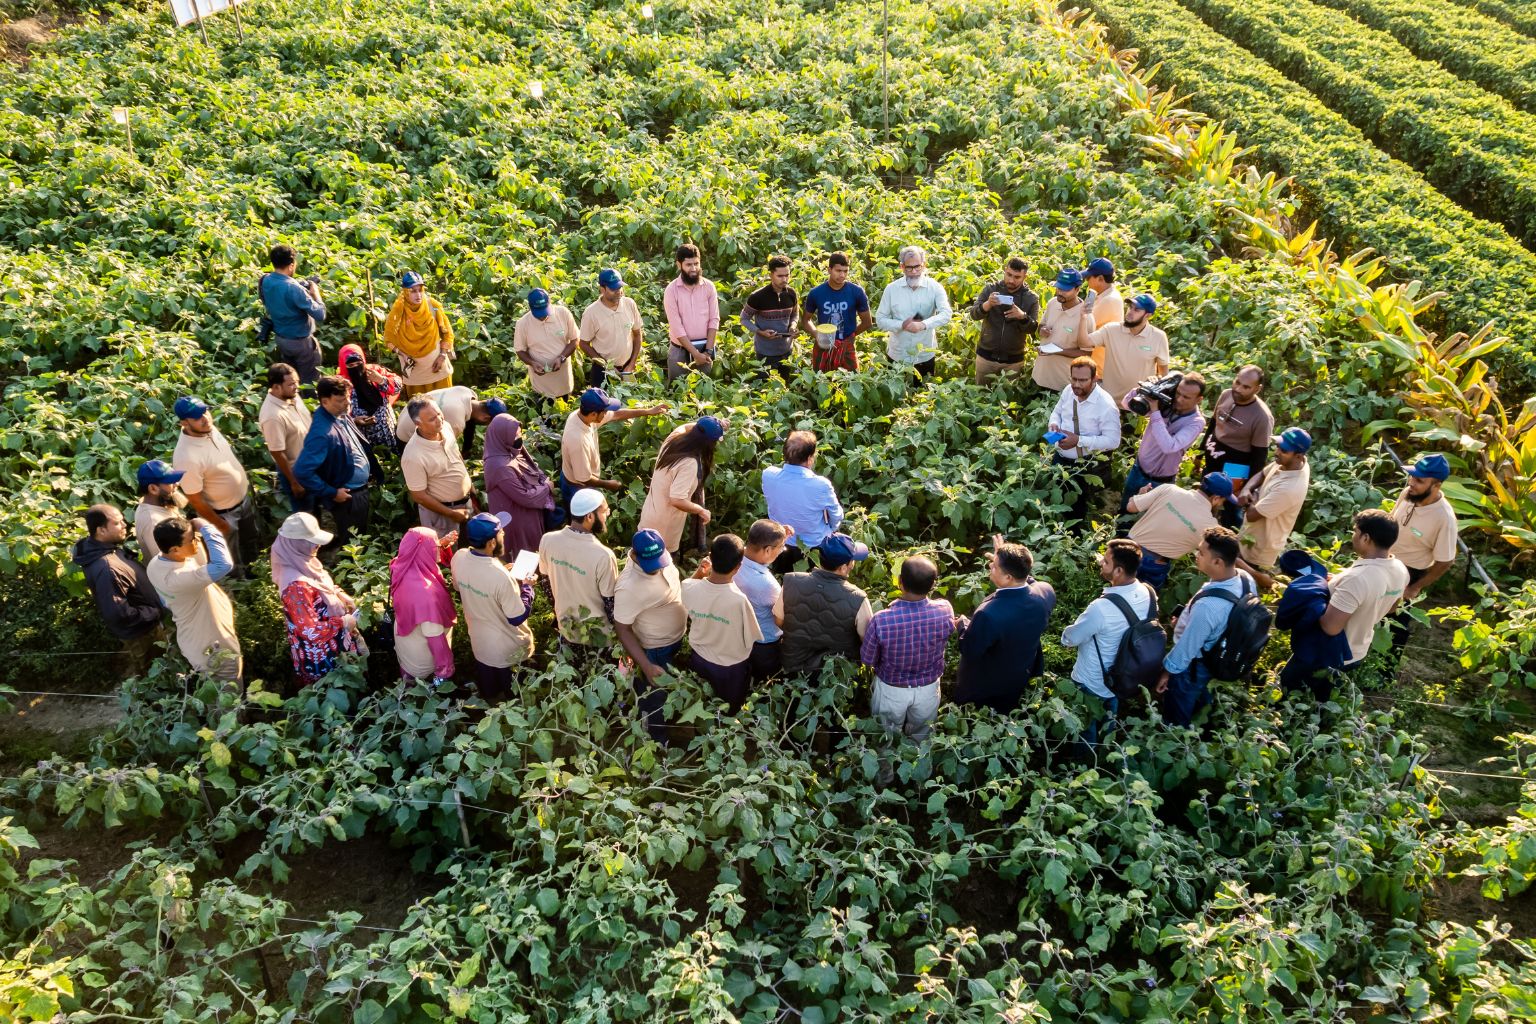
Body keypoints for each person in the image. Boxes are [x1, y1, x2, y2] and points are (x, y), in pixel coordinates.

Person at [860, 555, 960, 783]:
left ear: (899, 582)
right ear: (933, 585)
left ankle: (884, 780)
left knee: (886, 736)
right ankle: (917, 780)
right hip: (928, 688)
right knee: (922, 736)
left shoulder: (882, 619)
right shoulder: (944, 609)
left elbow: (867, 658)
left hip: (891, 689)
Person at [1155, 527, 1255, 726]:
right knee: (1203, 701)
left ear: (1217, 561)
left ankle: (1176, 738)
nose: (1196, 555)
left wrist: (1166, 672)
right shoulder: (1245, 578)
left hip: (1195, 665)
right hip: (1222, 653)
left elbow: (1186, 649)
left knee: (1179, 709)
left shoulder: (1208, 607)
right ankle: (1202, 727)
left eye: (1201, 552)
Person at [1059, 539, 1155, 743]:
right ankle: (1108, 748)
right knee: (1109, 719)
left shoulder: (1101, 608)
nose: (1101, 562)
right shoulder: (1148, 593)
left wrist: (1065, 637)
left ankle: (1085, 763)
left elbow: (1072, 638)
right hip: (1124, 675)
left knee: (1086, 729)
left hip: (1092, 680)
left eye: (1106, 561)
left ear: (1118, 571)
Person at [953, 539, 1055, 713]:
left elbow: (969, 649)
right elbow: (1028, 580)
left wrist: (962, 624)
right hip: (1018, 678)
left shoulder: (988, 614)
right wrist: (1004, 557)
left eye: (994, 566)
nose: (990, 566)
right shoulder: (1045, 592)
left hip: (985, 686)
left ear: (1008, 577)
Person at [271, 512, 363, 687]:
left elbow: (320, 586)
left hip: (330, 637)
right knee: (333, 687)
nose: (317, 545)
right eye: (310, 540)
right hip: (321, 650)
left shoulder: (302, 561)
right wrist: (343, 623)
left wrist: (340, 594)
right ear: (295, 544)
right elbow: (310, 631)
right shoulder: (295, 586)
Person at [147, 515, 241, 684]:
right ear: (175, 549)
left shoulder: (156, 564)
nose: (197, 540)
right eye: (192, 539)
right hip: (213, 647)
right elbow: (222, 565)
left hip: (195, 640)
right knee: (228, 698)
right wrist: (206, 527)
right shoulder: (177, 578)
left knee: (216, 693)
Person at [1319, 509, 1411, 681]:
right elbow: (1391, 608)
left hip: (1330, 653)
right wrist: (1338, 582)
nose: (1353, 536)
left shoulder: (1357, 579)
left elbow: (1329, 627)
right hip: (1357, 652)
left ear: (1366, 538)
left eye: (1356, 532)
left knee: (1292, 688)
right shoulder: (1400, 568)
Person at [1386, 454, 1460, 669]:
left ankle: (1385, 672)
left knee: (1396, 622)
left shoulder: (1444, 518)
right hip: (1387, 559)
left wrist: (1415, 587)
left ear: (1436, 485)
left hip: (1410, 572)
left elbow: (1446, 561)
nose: (1412, 483)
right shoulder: (1408, 494)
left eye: (1419, 481)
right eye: (1412, 477)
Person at [613, 529, 688, 740]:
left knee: (668, 689)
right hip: (654, 649)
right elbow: (622, 629)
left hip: (674, 640)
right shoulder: (628, 587)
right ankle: (656, 741)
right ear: (635, 556)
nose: (656, 569)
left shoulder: (660, 558)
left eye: (659, 561)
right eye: (651, 566)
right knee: (654, 698)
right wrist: (645, 665)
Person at [452, 512, 536, 699]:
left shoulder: (459, 557)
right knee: (517, 699)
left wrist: (503, 574)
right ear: (491, 543)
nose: (504, 535)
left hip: (481, 647)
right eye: (501, 533)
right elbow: (517, 617)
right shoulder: (500, 577)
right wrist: (528, 588)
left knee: (491, 698)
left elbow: (460, 586)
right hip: (509, 653)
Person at [74, 504, 164, 676]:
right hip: (142, 634)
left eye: (123, 521)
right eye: (117, 523)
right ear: (101, 530)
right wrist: (153, 612)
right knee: (154, 678)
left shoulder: (108, 548)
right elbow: (118, 613)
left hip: (146, 626)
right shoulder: (106, 567)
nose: (124, 525)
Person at [292, 375, 379, 549]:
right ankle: (353, 573)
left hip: (358, 490)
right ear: (325, 401)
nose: (347, 403)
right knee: (354, 544)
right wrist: (331, 492)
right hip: (348, 497)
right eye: (340, 400)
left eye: (347, 398)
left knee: (360, 535)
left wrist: (355, 422)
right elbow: (302, 471)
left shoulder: (338, 414)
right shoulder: (321, 433)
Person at [172, 396, 257, 572]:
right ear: (184, 423)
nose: (206, 418)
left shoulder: (207, 430)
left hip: (243, 503)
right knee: (231, 559)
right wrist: (219, 523)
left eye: (205, 412)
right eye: (197, 417)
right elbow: (195, 499)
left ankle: (257, 572)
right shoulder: (186, 457)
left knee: (251, 544)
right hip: (224, 515)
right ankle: (243, 591)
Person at [681, 534, 764, 713]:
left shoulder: (689, 587)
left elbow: (690, 584)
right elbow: (752, 638)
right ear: (738, 567)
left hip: (699, 659)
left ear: (710, 557)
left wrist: (700, 572)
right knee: (728, 710)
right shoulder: (739, 601)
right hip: (730, 669)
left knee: (700, 706)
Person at [777, 533, 874, 677]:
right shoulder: (858, 598)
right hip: (834, 674)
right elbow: (867, 640)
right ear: (843, 567)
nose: (853, 564)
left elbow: (778, 621)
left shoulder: (792, 581)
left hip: (793, 667)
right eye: (852, 561)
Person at [559, 387, 669, 509]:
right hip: (577, 487)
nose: (607, 414)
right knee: (580, 517)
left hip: (572, 474)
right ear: (594, 414)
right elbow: (583, 478)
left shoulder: (582, 416)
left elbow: (617, 414)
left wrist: (648, 411)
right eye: (605, 411)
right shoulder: (578, 440)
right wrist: (607, 484)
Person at [1126, 473, 1236, 590]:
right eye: (1222, 501)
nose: (1221, 504)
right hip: (1155, 564)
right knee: (1142, 600)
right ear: (1216, 498)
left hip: (1127, 549)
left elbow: (1131, 507)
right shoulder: (1210, 526)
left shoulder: (1169, 489)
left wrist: (1140, 495)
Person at [538, 488, 618, 648]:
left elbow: (546, 583)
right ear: (589, 517)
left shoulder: (547, 540)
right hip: (599, 637)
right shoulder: (603, 555)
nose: (607, 516)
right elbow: (611, 605)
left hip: (567, 628)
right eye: (605, 512)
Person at [1047, 357, 1122, 528]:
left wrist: (1079, 441)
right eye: (1074, 379)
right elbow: (1057, 412)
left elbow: (1113, 441)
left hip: (1083, 466)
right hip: (1060, 457)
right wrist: (1054, 424)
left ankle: (1074, 539)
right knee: (1057, 495)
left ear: (1095, 379)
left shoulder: (1106, 406)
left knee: (1077, 509)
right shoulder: (1068, 390)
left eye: (1082, 380)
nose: (1077, 384)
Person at [1118, 372, 1207, 513]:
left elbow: (1169, 446)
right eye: (1178, 393)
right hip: (1138, 470)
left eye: (1186, 397)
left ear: (1199, 399)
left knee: (1148, 518)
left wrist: (1155, 411)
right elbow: (1126, 403)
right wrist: (1146, 390)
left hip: (1160, 481)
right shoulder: (1165, 402)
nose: (1179, 399)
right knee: (1124, 511)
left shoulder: (1196, 422)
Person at [1235, 427, 1313, 589]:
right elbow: (1262, 474)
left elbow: (1251, 515)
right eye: (1277, 446)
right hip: (1249, 535)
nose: (1277, 452)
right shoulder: (1287, 463)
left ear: (1298, 456)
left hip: (1258, 549)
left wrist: (1254, 496)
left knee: (1242, 587)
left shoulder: (1290, 488)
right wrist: (1247, 489)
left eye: (1283, 450)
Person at [638, 416, 725, 557]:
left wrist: (715, 425)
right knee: (659, 568)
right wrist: (701, 510)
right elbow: (677, 499)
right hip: (664, 529)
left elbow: (686, 427)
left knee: (640, 564)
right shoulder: (689, 464)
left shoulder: (673, 441)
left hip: (649, 517)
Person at [760, 430, 843, 574]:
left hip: (779, 543)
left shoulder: (768, 475)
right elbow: (836, 517)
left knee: (783, 582)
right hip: (813, 548)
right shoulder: (821, 485)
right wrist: (831, 529)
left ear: (784, 453)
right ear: (810, 458)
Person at [1275, 549, 1352, 700]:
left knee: (1287, 685)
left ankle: (1284, 717)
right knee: (1323, 692)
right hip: (1336, 649)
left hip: (1311, 649)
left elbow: (1282, 623)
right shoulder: (1322, 582)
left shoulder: (1298, 590)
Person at [1202, 366, 1274, 515]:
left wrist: (1247, 487)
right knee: (1203, 502)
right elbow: (1213, 425)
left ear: (1257, 389)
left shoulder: (1262, 417)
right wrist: (1199, 454)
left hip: (1234, 471)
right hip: (1212, 461)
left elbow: (1259, 456)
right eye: (1237, 382)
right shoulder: (1226, 395)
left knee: (1231, 512)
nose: (1238, 389)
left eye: (1246, 387)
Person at [483, 413, 557, 559]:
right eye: (515, 435)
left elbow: (534, 469)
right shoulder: (500, 466)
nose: (519, 438)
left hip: (527, 515)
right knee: (522, 554)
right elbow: (525, 497)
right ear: (502, 436)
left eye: (519, 433)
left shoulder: (510, 451)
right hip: (517, 520)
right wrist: (547, 487)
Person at [390, 527, 457, 686]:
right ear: (425, 551)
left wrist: (442, 544)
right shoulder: (427, 597)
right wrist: (444, 674)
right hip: (422, 663)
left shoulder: (400, 565)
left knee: (407, 687)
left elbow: (418, 548)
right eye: (434, 546)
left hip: (406, 650)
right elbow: (437, 644)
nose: (437, 549)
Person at [401, 396, 476, 538]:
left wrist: (471, 490)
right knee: (447, 554)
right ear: (418, 423)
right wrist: (451, 514)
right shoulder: (413, 455)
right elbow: (419, 496)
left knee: (471, 547)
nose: (439, 419)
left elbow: (457, 457)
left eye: (439, 413)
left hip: (466, 504)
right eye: (432, 419)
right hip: (442, 514)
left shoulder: (445, 427)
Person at [875, 245, 952, 379]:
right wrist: (902, 325)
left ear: (924, 265)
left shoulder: (934, 287)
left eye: (918, 266)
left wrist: (923, 325)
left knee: (923, 393)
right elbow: (880, 320)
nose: (914, 271)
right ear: (902, 267)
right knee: (896, 394)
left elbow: (946, 313)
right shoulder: (891, 289)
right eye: (909, 268)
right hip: (898, 354)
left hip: (924, 355)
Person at [259, 244, 326, 386]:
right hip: (301, 343)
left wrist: (302, 285)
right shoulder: (293, 288)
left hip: (282, 339)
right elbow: (320, 314)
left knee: (290, 381)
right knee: (309, 383)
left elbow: (270, 297)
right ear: (291, 265)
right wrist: (315, 294)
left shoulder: (265, 280)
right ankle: (309, 405)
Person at [383, 270, 456, 396]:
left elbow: (447, 333)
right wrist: (402, 354)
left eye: (420, 290)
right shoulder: (398, 312)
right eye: (413, 291)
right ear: (405, 292)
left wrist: (442, 355)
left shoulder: (433, 305)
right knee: (420, 408)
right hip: (415, 371)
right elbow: (388, 340)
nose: (418, 295)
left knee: (444, 403)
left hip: (437, 366)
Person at [1085, 293, 1168, 402]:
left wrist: (1156, 380)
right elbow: (1085, 342)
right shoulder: (1111, 329)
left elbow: (1163, 374)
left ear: (1148, 315)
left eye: (1136, 310)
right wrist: (1083, 316)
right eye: (1130, 307)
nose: (1130, 312)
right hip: (1108, 403)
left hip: (1138, 404)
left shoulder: (1159, 337)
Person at [735, 519, 791, 681]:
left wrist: (779, 538)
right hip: (764, 643)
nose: (781, 551)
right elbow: (781, 617)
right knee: (766, 680)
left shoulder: (733, 558)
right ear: (767, 550)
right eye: (781, 548)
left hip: (740, 635)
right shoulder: (767, 585)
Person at [970, 257, 1040, 385]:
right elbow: (974, 314)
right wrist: (988, 304)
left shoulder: (1031, 298)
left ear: (1025, 277)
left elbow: (1033, 329)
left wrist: (1022, 316)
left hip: (1013, 362)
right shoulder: (990, 290)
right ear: (1005, 271)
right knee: (980, 396)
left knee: (1007, 401)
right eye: (1009, 275)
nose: (1011, 280)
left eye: (1017, 277)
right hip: (986, 357)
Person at [800, 251, 871, 373]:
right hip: (823, 344)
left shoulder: (856, 292)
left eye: (845, 271)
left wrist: (851, 337)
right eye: (838, 271)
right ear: (829, 270)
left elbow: (867, 322)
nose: (842, 275)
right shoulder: (816, 293)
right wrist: (816, 334)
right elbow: (805, 320)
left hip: (847, 345)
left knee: (852, 381)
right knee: (821, 381)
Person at [258, 363, 313, 513]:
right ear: (276, 387)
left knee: (315, 509)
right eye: (291, 384)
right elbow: (277, 452)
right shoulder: (272, 416)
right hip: (296, 473)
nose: (296, 387)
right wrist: (294, 483)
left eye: (297, 382)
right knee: (305, 517)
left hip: (310, 465)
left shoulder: (291, 396)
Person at [663, 243, 720, 382]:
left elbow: (714, 319)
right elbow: (676, 327)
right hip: (679, 351)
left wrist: (707, 351)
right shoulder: (671, 290)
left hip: (705, 349)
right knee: (677, 391)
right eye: (689, 265)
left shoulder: (709, 287)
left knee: (703, 392)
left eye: (696, 263)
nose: (694, 268)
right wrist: (695, 354)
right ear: (679, 265)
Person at [514, 288, 582, 404]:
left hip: (563, 380)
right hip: (541, 384)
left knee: (564, 407)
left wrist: (561, 358)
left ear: (550, 303)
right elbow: (520, 351)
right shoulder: (523, 324)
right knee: (544, 413)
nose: (542, 317)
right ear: (530, 307)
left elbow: (575, 339)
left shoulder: (563, 314)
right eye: (538, 313)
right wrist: (533, 363)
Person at [578, 268, 645, 385]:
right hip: (602, 370)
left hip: (627, 368)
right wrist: (604, 365)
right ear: (602, 289)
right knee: (602, 402)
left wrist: (632, 363)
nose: (618, 291)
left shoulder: (629, 304)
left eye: (620, 287)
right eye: (613, 289)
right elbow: (583, 344)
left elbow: (637, 334)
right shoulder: (591, 313)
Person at [1032, 268, 1093, 391]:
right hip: (1039, 376)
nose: (1060, 292)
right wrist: (1042, 329)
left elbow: (1086, 353)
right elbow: (1041, 325)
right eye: (1059, 288)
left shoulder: (1085, 317)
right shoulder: (1053, 303)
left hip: (1060, 384)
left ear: (1077, 289)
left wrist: (1056, 351)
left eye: (1066, 290)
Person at [393, 385, 507, 450]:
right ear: (485, 418)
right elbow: (444, 448)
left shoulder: (467, 392)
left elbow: (471, 422)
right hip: (406, 438)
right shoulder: (457, 421)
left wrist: (467, 449)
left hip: (406, 415)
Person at [740, 254, 799, 378]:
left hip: (786, 351)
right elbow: (744, 319)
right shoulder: (758, 297)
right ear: (770, 275)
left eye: (787, 275)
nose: (785, 279)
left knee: (785, 387)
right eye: (780, 276)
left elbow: (795, 314)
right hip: (765, 353)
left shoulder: (792, 294)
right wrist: (760, 332)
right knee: (765, 389)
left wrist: (793, 326)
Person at [339, 344, 403, 452]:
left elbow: (398, 386)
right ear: (344, 366)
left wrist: (381, 380)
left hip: (389, 432)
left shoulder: (374, 371)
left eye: (359, 363)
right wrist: (354, 421)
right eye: (350, 365)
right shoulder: (340, 385)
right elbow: (335, 418)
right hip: (363, 441)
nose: (356, 368)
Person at [134, 459, 189, 561]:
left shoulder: (158, 503)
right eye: (170, 482)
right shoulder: (153, 522)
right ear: (153, 489)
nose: (177, 484)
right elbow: (169, 562)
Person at [1081, 256, 1124, 337]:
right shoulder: (1103, 294)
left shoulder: (1109, 300)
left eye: (1088, 277)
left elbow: (1084, 324)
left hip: (1100, 349)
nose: (1086, 280)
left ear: (1100, 279)